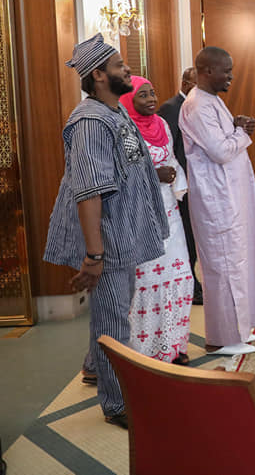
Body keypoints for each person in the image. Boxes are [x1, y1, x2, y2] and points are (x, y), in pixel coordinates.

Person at [44, 34, 168, 428]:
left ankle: (95, 368)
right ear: (98, 75)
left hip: (124, 233)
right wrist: (94, 256)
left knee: (114, 311)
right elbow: (90, 192)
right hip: (109, 238)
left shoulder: (114, 112)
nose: (127, 69)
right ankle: (117, 404)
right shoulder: (90, 122)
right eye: (118, 65)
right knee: (114, 320)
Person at [179, 46, 255, 355]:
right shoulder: (197, 106)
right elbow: (219, 151)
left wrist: (236, 127)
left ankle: (239, 330)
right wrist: (242, 133)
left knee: (237, 263)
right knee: (223, 268)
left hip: (230, 198)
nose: (231, 76)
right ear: (208, 71)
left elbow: (221, 141)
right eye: (226, 71)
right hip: (216, 201)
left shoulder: (213, 100)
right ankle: (221, 339)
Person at [119, 76, 194, 365]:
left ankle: (175, 344)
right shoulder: (125, 131)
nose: (151, 100)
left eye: (153, 93)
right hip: (141, 216)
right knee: (148, 283)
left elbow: (171, 160)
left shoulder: (162, 125)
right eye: (143, 96)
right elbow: (125, 173)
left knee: (180, 276)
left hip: (169, 214)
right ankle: (148, 350)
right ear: (129, 101)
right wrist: (156, 176)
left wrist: (177, 185)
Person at [157, 67, 203, 305]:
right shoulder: (170, 107)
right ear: (185, 83)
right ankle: (192, 288)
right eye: (197, 85)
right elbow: (171, 149)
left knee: (194, 236)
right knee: (186, 236)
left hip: (196, 182)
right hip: (180, 185)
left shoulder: (195, 106)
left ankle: (195, 283)